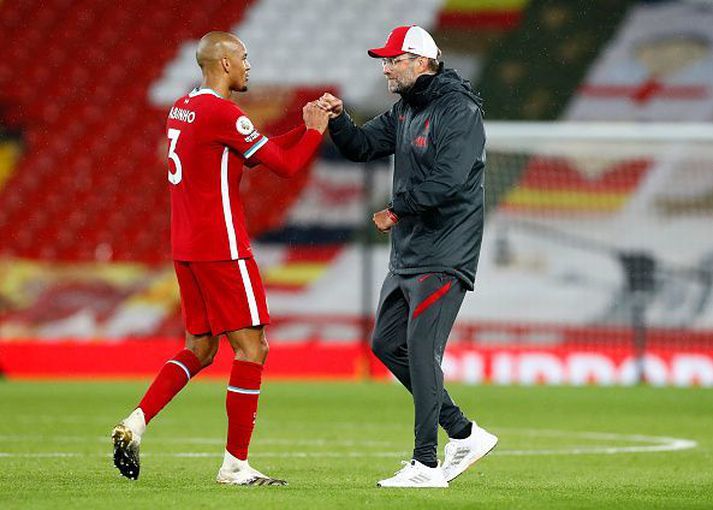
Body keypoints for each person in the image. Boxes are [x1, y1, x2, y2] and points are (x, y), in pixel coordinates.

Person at [111, 31, 329, 486]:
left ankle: (135, 423)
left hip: (186, 247)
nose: (250, 66)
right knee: (253, 348)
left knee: (200, 348)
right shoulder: (223, 111)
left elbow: (248, 155)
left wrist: (300, 127)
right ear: (225, 64)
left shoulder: (184, 107)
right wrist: (315, 132)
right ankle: (235, 465)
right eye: (245, 58)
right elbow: (285, 167)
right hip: (223, 247)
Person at [317, 25, 498, 488]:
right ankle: (463, 432)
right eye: (384, 60)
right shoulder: (406, 111)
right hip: (411, 254)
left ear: (420, 62)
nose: (385, 67)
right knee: (386, 343)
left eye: (393, 60)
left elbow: (451, 179)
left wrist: (396, 210)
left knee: (420, 349)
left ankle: (425, 464)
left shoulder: (459, 110)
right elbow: (360, 147)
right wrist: (338, 119)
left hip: (446, 251)